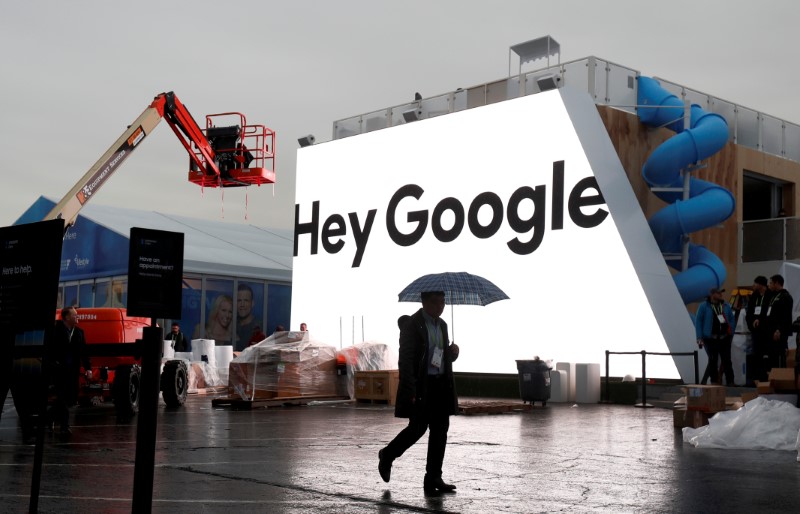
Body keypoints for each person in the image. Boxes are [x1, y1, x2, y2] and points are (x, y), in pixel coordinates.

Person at [378, 291, 461, 495]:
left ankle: (433, 477)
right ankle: (387, 455)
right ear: (424, 302)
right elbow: (406, 360)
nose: (440, 306)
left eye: (443, 302)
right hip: (422, 385)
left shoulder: (442, 325)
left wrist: (453, 353)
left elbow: (441, 357)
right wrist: (410, 389)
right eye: (436, 302)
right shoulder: (412, 325)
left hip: (441, 385)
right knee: (417, 429)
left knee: (440, 432)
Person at [46, 307, 92, 435]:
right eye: (75, 315)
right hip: (59, 371)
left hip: (72, 372)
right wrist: (53, 364)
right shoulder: (55, 331)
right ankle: (64, 427)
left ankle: (49, 416)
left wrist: (88, 368)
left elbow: (84, 353)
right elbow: (49, 351)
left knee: (70, 399)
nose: (78, 317)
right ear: (66, 317)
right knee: (62, 399)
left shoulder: (79, 333)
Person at [695, 288, 735, 385]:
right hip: (710, 338)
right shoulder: (704, 306)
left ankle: (730, 382)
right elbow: (698, 321)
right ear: (712, 294)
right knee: (713, 361)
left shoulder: (725, 306)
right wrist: (699, 337)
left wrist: (731, 332)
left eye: (721, 293)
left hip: (724, 337)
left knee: (727, 360)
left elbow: (731, 319)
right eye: (718, 293)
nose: (721, 294)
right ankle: (714, 381)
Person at [764, 274, 793, 370]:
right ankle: (773, 378)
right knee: (772, 356)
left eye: (771, 283)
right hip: (770, 331)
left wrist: (778, 330)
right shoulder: (773, 296)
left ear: (777, 283)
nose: (769, 285)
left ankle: (782, 378)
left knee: (780, 356)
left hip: (779, 332)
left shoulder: (785, 297)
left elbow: (785, 316)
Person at [745, 276, 771, 383]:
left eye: (755, 283)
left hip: (767, 330)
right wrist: (752, 323)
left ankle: (768, 376)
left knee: (768, 354)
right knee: (756, 354)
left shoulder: (770, 295)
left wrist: (761, 320)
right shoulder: (754, 296)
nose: (753, 285)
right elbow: (750, 312)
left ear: (761, 284)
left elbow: (769, 312)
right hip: (756, 331)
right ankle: (757, 377)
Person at [235, 284, 263, 352]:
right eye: (239, 300)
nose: (242, 304)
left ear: (252, 303)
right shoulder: (231, 323)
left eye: (246, 300)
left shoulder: (260, 326)